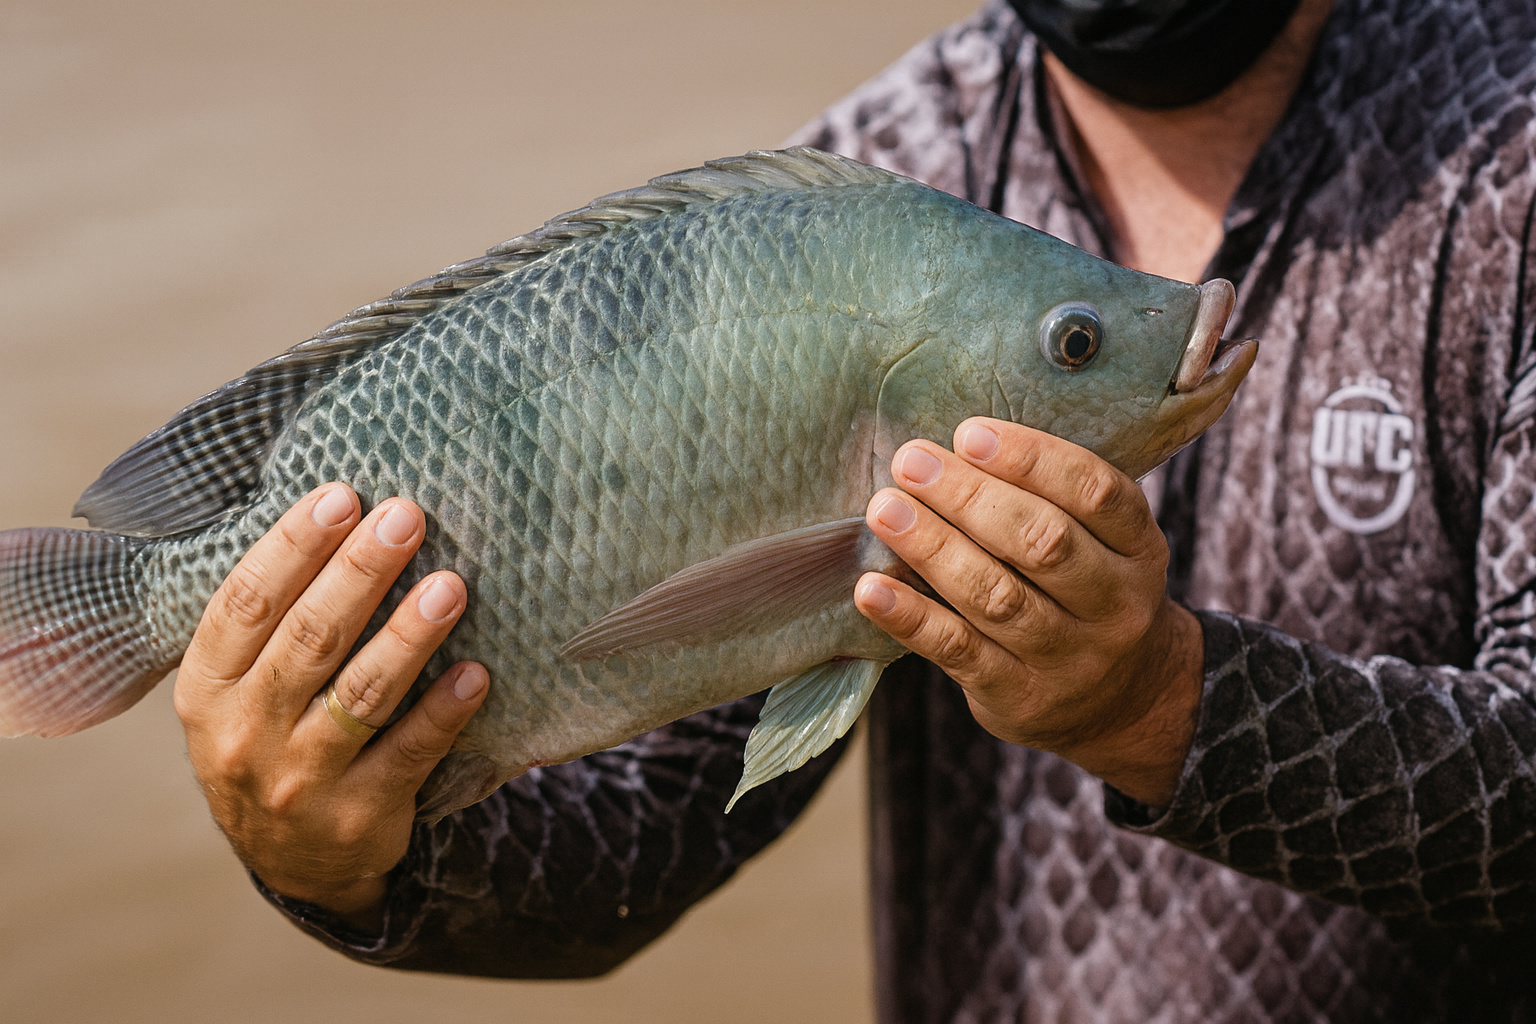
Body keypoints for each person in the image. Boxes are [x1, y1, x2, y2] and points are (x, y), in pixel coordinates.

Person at [171, 0, 1536, 1019]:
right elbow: (639, 839)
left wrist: (1165, 705)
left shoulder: (1508, 162)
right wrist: (345, 860)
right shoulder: (878, 171)